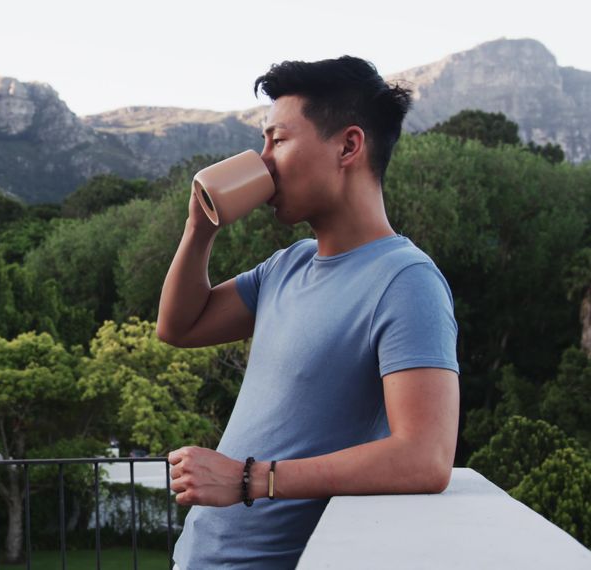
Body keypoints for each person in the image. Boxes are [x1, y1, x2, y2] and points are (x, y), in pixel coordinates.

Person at [157, 56, 460, 568]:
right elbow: (179, 326)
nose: (264, 160)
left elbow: (425, 458)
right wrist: (200, 227)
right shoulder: (289, 264)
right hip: (198, 557)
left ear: (348, 146)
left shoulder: (406, 281)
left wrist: (250, 478)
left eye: (278, 139)